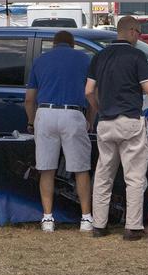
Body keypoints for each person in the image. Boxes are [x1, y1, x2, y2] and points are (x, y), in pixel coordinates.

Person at [85, 15, 148, 240]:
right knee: (133, 177)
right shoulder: (136, 55)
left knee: (104, 175)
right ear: (132, 31)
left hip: (105, 122)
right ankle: (133, 227)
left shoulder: (100, 56)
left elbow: (88, 91)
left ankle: (99, 225)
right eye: (139, 33)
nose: (139, 37)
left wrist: (99, 108)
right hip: (130, 120)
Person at [24, 30, 97, 232]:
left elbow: (29, 99)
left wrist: (31, 122)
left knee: (46, 169)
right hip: (73, 114)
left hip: (45, 113)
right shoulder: (84, 60)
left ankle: (47, 218)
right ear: (72, 44)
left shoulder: (40, 61)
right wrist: (89, 120)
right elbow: (92, 94)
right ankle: (86, 218)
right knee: (81, 169)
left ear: (54, 44)